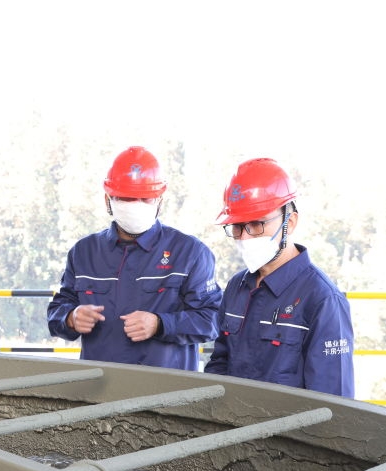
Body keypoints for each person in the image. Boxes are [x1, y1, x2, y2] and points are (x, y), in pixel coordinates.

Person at [47, 146, 221, 371]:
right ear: (108, 199)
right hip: (100, 384)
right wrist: (71, 317)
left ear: (160, 200)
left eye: (145, 199)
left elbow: (212, 319)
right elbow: (57, 310)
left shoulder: (190, 252)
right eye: (126, 198)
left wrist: (161, 324)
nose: (135, 205)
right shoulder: (84, 252)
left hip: (167, 388)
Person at [204, 157, 355, 397]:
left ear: (290, 222)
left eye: (256, 224)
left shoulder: (322, 299)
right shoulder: (236, 287)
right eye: (237, 226)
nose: (244, 237)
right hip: (232, 420)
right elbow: (219, 366)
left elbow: (333, 402)